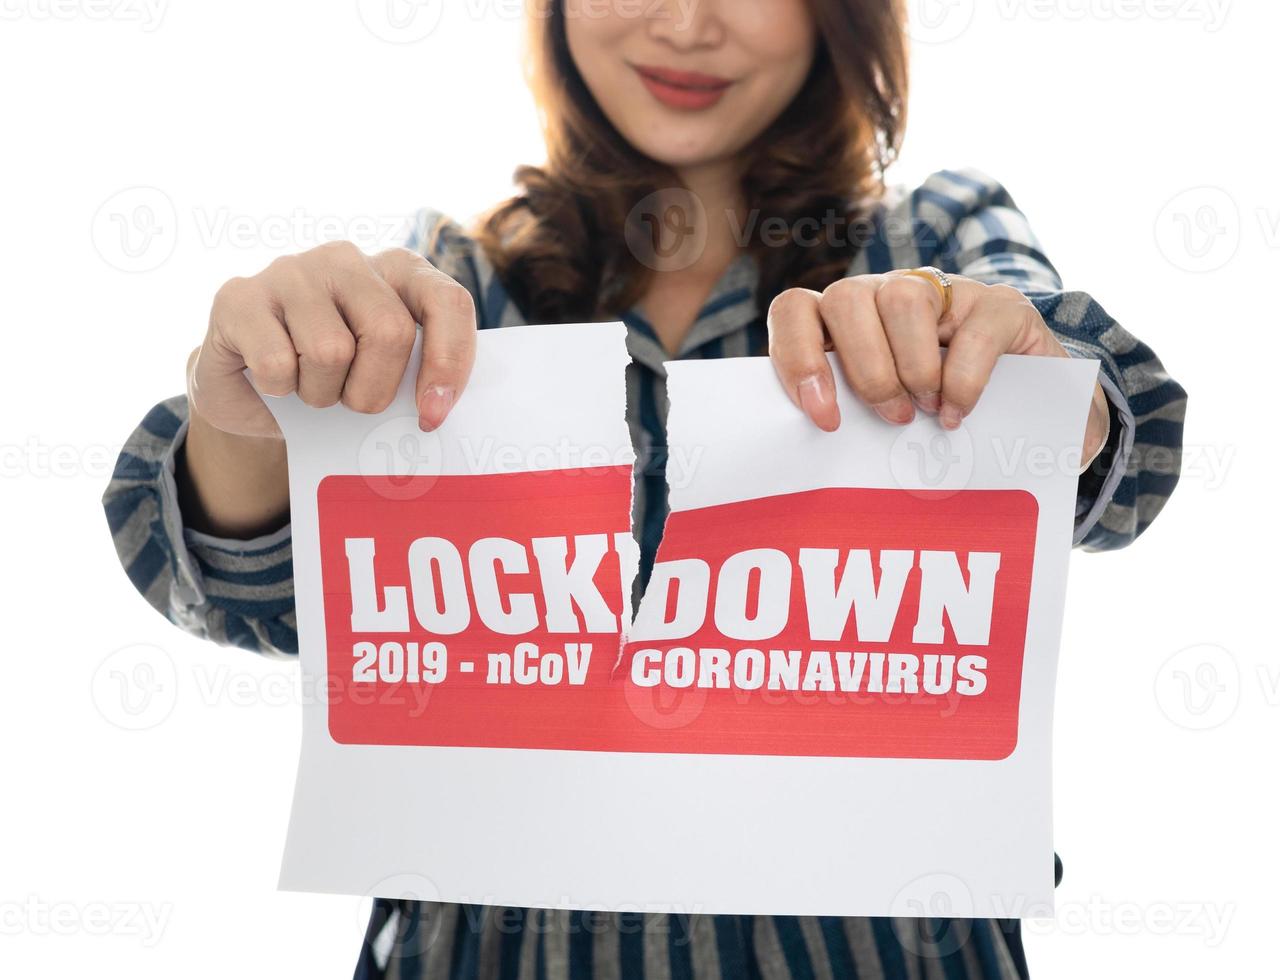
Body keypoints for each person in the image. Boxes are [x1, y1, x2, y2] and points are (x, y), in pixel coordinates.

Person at [102, 1, 1187, 976]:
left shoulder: (934, 233)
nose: (684, 23)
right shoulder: (452, 284)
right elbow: (257, 601)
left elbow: (1113, 457)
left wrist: (1034, 389)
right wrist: (250, 421)